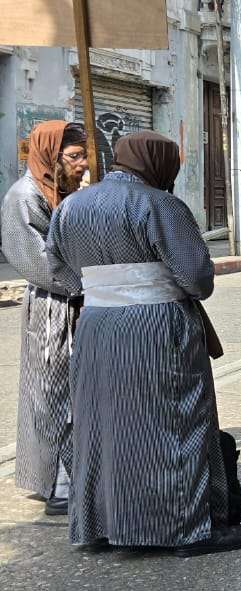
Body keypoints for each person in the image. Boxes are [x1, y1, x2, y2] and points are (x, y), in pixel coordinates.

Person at [46, 130, 241, 555]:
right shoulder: (161, 205)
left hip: (97, 327)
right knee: (175, 423)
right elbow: (197, 279)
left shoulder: (69, 207)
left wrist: (106, 291)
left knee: (108, 428)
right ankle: (187, 529)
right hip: (157, 328)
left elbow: (60, 272)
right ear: (158, 163)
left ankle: (105, 525)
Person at [0, 120, 87, 516]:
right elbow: (37, 261)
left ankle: (80, 475)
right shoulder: (24, 195)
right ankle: (55, 484)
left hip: (80, 303)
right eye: (74, 156)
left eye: (84, 155)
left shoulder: (64, 191)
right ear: (51, 156)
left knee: (79, 395)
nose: (83, 164)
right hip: (53, 307)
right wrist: (86, 286)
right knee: (51, 395)